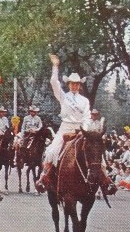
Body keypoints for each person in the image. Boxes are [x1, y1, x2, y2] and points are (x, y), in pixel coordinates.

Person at [36, 54, 90, 192]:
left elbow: (87, 117)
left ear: (79, 85)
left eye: (77, 84)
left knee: (96, 153)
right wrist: (55, 66)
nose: (74, 86)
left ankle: (103, 180)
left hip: (80, 130)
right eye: (72, 83)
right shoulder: (63, 96)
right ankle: (44, 175)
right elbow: (54, 82)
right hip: (65, 128)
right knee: (51, 151)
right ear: (69, 84)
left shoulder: (85, 101)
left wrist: (83, 130)